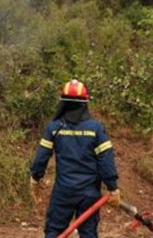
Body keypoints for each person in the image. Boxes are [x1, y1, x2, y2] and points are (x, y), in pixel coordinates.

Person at [30, 79, 120, 238]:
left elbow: (41, 157)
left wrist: (35, 178)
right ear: (85, 103)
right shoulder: (96, 129)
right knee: (88, 233)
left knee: (53, 231)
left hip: (63, 192)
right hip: (89, 193)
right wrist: (113, 187)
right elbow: (106, 160)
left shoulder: (54, 127)